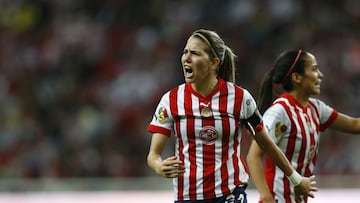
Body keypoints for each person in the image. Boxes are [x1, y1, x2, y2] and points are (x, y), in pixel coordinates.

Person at [146, 30, 317, 203]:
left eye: (195, 53)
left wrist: (295, 178)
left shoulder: (240, 98)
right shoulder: (171, 100)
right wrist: (159, 166)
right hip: (188, 197)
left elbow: (266, 143)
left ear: (214, 63)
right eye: (185, 52)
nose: (186, 58)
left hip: (230, 194)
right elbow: (153, 155)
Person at [246, 50, 360, 203]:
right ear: (297, 77)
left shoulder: (316, 109)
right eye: (314, 69)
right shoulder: (279, 112)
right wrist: (266, 197)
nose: (320, 75)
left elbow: (355, 125)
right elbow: (253, 155)